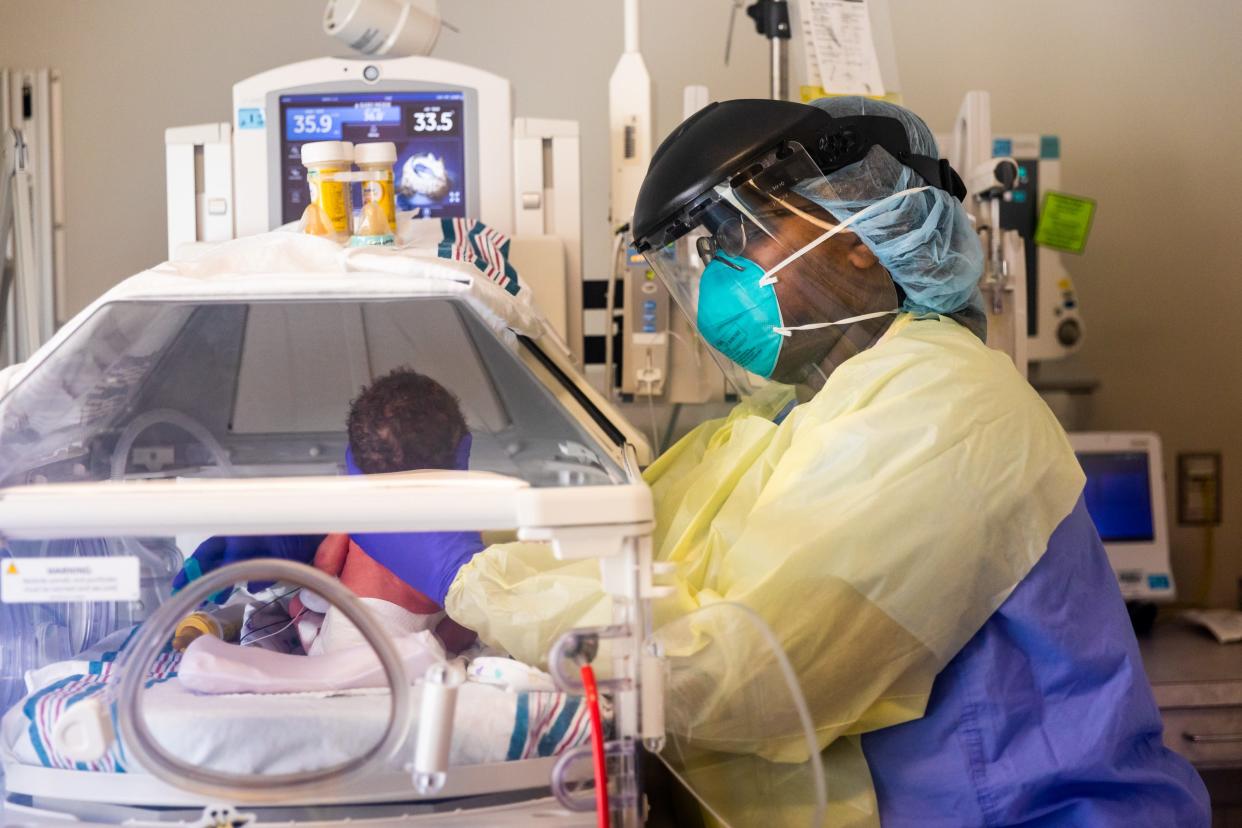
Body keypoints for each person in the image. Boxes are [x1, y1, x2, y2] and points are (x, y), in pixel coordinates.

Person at [422, 98, 1208, 826]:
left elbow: (745, 677)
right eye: (710, 249)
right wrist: (473, 527)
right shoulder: (779, 422)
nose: (720, 276)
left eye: (744, 233)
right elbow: (637, 570)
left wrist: (465, 576)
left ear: (863, 240)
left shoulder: (949, 407)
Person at [173, 368, 479, 655]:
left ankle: (231, 622)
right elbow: (474, 593)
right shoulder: (464, 518)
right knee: (461, 626)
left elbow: (326, 564)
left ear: (355, 462)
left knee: (297, 609)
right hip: (424, 636)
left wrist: (306, 599)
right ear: (461, 453)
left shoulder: (356, 516)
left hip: (352, 634)